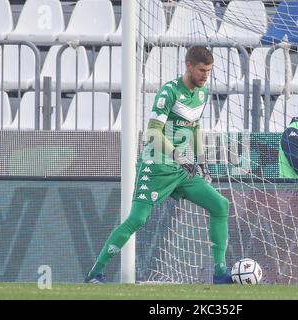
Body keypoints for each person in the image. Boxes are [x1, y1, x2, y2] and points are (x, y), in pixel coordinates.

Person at [85, 46, 233, 284]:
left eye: (209, 71)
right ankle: (95, 273)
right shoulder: (169, 92)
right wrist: (178, 156)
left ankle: (219, 273)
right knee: (137, 220)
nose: (206, 75)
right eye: (202, 70)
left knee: (220, 205)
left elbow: (193, 127)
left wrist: (201, 160)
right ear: (188, 66)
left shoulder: (202, 94)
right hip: (156, 165)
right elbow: (153, 132)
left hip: (181, 168)